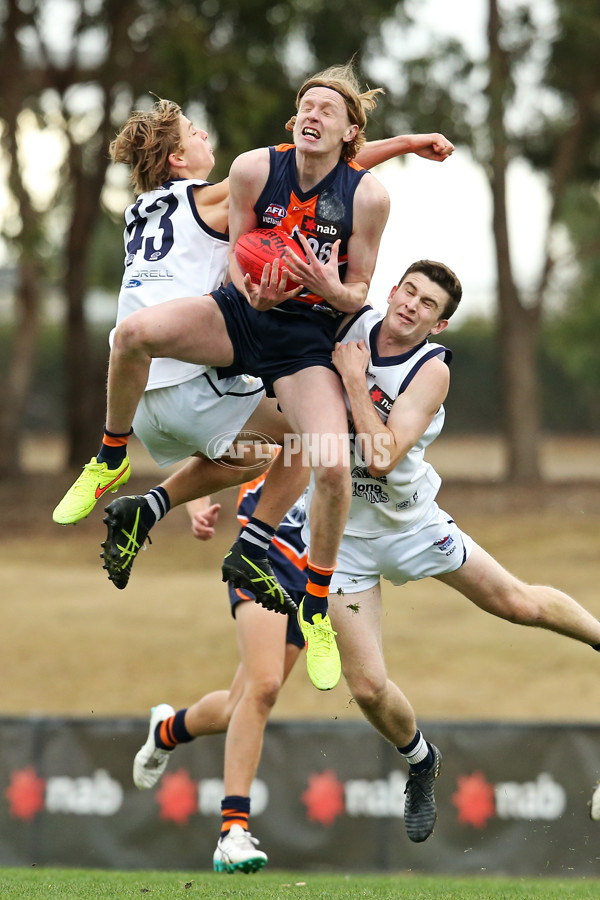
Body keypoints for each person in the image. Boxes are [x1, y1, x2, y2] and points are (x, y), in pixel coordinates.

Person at [51, 65, 455, 691]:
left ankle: (312, 602)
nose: (312, 113)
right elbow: (241, 260)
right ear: (295, 121)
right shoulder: (250, 171)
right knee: (132, 334)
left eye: (327, 107)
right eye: (305, 104)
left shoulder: (369, 197)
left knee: (327, 460)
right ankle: (110, 459)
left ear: (349, 130)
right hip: (243, 317)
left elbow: (356, 293)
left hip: (301, 341)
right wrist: (254, 295)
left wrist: (328, 288)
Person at [305, 258, 600, 843]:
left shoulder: (430, 370)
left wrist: (355, 379)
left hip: (413, 525)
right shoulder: (348, 325)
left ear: (437, 326)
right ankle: (420, 760)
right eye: (408, 292)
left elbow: (383, 456)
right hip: (345, 541)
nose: (411, 306)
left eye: (427, 306)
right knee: (365, 688)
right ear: (391, 291)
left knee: (518, 603)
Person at [133, 471, 308, 874]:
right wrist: (196, 510)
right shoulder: (275, 415)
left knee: (239, 706)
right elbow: (206, 451)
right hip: (260, 559)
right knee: (263, 689)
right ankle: (233, 832)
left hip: (311, 578)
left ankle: (167, 730)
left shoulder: (347, 422)